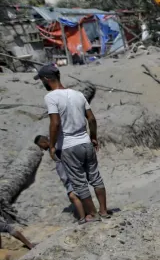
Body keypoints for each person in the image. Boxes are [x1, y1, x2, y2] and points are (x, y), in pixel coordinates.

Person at [37, 64, 110, 223]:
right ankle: (103, 210)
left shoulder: (50, 97)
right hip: (86, 142)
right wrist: (94, 137)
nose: (42, 82)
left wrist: (52, 145)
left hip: (69, 147)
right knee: (95, 177)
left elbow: (55, 123)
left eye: (42, 79)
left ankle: (92, 214)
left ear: (47, 79)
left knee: (79, 183)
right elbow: (91, 119)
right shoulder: (78, 94)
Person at [34, 135, 85, 220]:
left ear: (43, 142)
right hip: (68, 177)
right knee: (74, 196)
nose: (41, 149)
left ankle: (83, 217)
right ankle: (86, 214)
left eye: (40, 146)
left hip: (70, 176)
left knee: (73, 196)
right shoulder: (54, 147)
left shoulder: (56, 147)